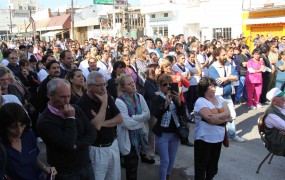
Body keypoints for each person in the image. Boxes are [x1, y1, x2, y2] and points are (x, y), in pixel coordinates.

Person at [37, 78, 96, 179]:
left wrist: (77, 145)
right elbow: (68, 143)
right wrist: (70, 118)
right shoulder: (45, 121)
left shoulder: (75, 108)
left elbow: (92, 133)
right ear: (49, 96)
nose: (67, 100)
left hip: (85, 165)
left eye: (69, 96)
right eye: (62, 97)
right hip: (65, 171)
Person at [77, 71, 123, 180]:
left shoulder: (106, 96)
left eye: (104, 84)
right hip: (96, 149)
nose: (103, 88)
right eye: (99, 85)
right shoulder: (82, 103)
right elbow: (96, 127)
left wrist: (100, 121)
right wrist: (104, 104)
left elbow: (120, 118)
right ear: (89, 86)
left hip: (113, 146)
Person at [0, 103, 57, 179]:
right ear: (4, 126)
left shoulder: (28, 135)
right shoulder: (2, 147)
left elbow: (32, 157)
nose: (19, 130)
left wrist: (45, 168)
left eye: (22, 125)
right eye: (13, 127)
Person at [115, 74, 153, 180]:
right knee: (131, 168)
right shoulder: (119, 101)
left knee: (135, 167)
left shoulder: (139, 97)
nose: (133, 85)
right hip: (127, 139)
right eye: (129, 84)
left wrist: (134, 117)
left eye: (133, 82)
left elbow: (148, 114)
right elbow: (127, 123)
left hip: (139, 137)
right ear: (123, 87)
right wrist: (141, 121)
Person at [194, 77, 232, 180]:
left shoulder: (220, 98)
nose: (213, 87)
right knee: (201, 167)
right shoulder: (200, 101)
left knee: (212, 167)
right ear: (204, 88)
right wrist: (225, 118)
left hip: (218, 138)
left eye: (214, 85)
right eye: (210, 85)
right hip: (204, 139)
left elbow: (229, 113)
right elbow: (211, 120)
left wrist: (216, 116)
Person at [209, 47, 245, 143]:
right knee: (219, 117)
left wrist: (225, 78)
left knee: (232, 115)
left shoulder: (229, 64)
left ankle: (232, 135)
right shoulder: (213, 67)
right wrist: (230, 78)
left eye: (225, 54)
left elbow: (236, 77)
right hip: (218, 96)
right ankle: (218, 136)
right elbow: (218, 82)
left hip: (228, 95)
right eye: (223, 55)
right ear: (217, 56)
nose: (225, 56)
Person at [151, 74, 183, 180]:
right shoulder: (157, 97)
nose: (168, 87)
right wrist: (165, 104)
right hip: (162, 134)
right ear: (160, 86)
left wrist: (179, 102)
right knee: (165, 160)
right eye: (165, 84)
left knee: (172, 160)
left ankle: (167, 176)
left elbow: (183, 114)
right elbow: (155, 114)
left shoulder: (176, 96)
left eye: (170, 84)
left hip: (175, 134)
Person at [144, 64, 161, 157]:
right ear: (152, 70)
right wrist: (159, 93)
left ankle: (155, 148)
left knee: (155, 130)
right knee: (151, 131)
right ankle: (149, 150)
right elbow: (152, 95)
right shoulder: (148, 82)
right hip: (151, 109)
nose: (160, 69)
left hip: (156, 108)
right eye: (158, 68)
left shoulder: (155, 81)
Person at [263, 87, 285, 156]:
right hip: (277, 141)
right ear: (274, 101)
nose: (284, 98)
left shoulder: (281, 106)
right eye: (281, 97)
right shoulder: (271, 114)